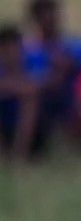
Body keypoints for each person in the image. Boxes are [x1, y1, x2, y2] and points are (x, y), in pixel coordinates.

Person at [23, 0, 81, 127]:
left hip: (72, 96)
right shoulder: (27, 51)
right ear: (36, 19)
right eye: (45, 16)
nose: (50, 20)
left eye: (53, 14)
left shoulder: (76, 46)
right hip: (42, 100)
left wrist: (70, 65)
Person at [0, 24, 42, 159]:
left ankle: (20, 156)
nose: (12, 53)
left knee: (31, 101)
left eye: (15, 48)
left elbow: (33, 88)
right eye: (6, 49)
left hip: (24, 125)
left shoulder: (31, 65)